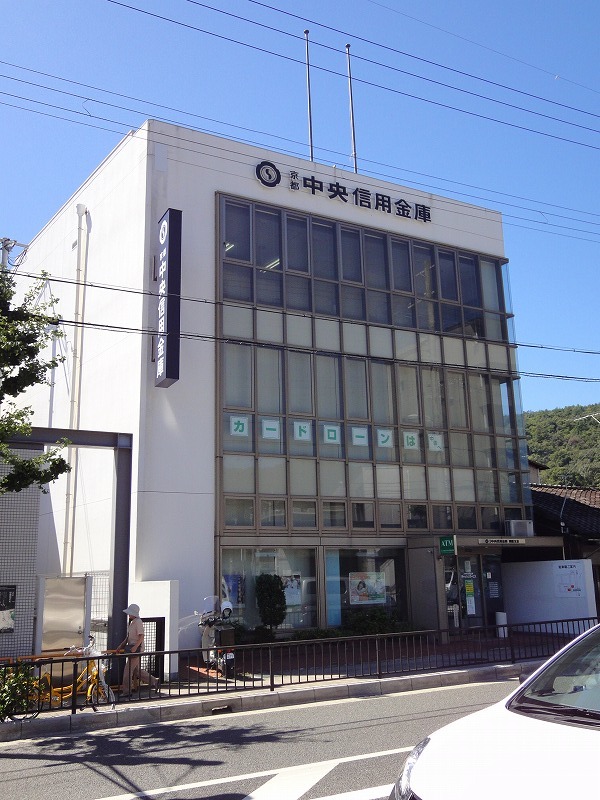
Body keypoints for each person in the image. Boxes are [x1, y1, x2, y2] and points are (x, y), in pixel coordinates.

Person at [118, 603, 159, 696]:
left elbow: (141, 636)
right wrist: (121, 645)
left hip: (135, 649)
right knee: (136, 671)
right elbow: (129, 637)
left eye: (130, 613)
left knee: (128, 671)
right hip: (134, 649)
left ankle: (127, 691)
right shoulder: (133, 622)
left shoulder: (137, 622)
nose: (128, 615)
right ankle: (154, 681)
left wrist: (135, 647)